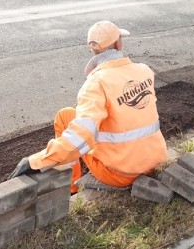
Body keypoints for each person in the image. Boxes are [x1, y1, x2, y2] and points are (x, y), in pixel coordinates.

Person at [9, 21, 167, 193]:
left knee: (64, 118)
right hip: (156, 160)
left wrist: (35, 161)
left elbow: (80, 138)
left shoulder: (97, 83)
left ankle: (71, 186)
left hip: (121, 174)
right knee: (70, 115)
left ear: (92, 49)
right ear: (119, 43)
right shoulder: (144, 70)